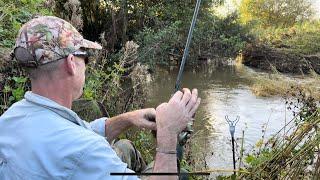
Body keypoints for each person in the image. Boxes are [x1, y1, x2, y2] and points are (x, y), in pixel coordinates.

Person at [0, 16, 201, 180]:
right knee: (179, 173)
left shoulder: (11, 118)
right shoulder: (84, 150)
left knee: (124, 147)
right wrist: (168, 135)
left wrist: (129, 118)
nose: (85, 64)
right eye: (84, 56)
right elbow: (80, 147)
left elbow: (79, 133)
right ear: (71, 62)